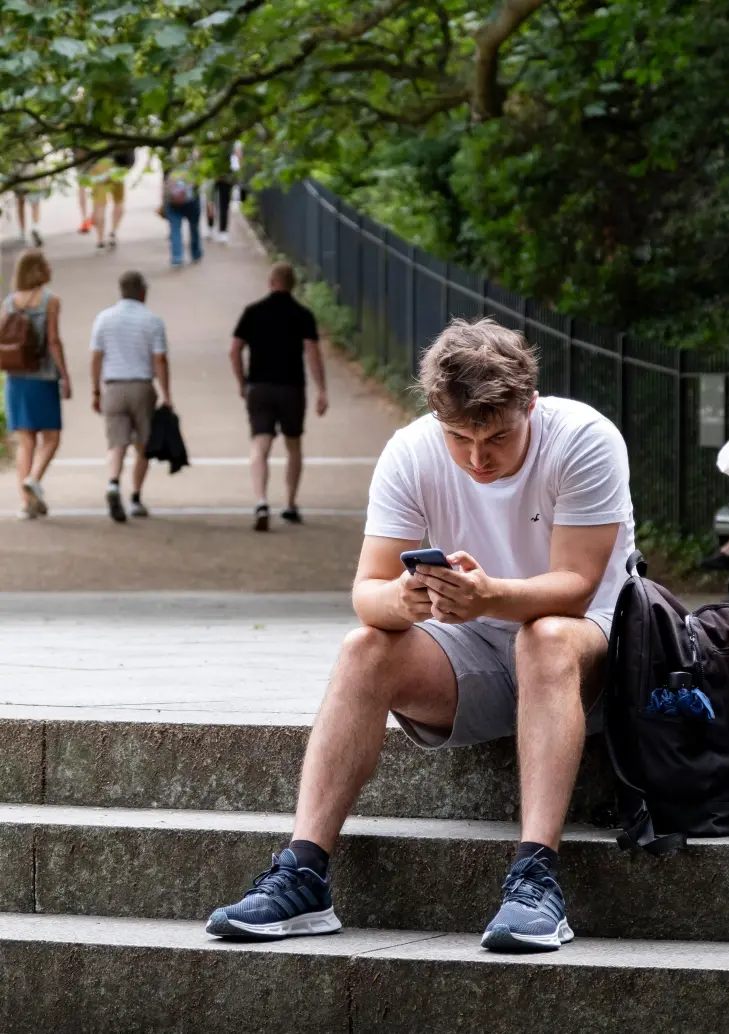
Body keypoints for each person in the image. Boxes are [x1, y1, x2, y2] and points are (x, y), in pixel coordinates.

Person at [206, 317, 635, 952]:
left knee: (543, 636)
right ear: (437, 416)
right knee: (363, 648)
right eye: (459, 437)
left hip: (589, 652)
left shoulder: (583, 439)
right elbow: (367, 592)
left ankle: (536, 878)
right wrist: (403, 600)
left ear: (530, 406)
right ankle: (304, 873)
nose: (477, 458)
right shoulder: (411, 451)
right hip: (475, 649)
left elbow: (576, 585)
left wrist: (488, 595)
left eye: (496, 437)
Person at [229, 262, 328, 530]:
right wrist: (321, 389)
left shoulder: (253, 312)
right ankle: (290, 504)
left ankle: (261, 500)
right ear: (292, 284)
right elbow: (312, 353)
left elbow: (234, 350)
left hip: (259, 387)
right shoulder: (302, 314)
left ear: (271, 282)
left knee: (260, 444)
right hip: (291, 388)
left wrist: (241, 381)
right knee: (293, 444)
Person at [89, 270, 172, 523]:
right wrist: (166, 394)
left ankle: (113, 483)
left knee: (117, 443)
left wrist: (96, 390)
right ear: (142, 292)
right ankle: (135, 497)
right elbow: (159, 359)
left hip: (113, 386)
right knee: (143, 445)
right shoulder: (153, 321)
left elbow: (96, 357)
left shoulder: (103, 318)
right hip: (142, 386)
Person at [2, 249, 72, 518]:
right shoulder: (50, 300)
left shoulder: (10, 302)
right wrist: (64, 375)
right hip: (43, 376)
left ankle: (26, 503)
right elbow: (53, 340)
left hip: (16, 376)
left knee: (26, 440)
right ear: (39, 269)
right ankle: (34, 478)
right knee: (51, 437)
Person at [162, 153, 202, 267]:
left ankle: (177, 257)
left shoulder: (169, 161)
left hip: (173, 202)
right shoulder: (195, 164)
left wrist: (163, 200)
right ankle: (196, 253)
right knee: (194, 228)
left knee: (175, 229)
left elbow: (165, 183)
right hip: (191, 201)